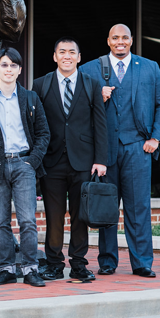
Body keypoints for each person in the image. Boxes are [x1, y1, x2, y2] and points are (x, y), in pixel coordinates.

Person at [80, 24, 160, 278]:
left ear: (131, 40)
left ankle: (142, 262)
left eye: (125, 38)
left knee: (138, 207)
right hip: (104, 151)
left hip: (137, 149)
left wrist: (156, 138)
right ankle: (107, 261)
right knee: (106, 206)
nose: (120, 42)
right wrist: (97, 97)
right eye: (115, 38)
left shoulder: (150, 67)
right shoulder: (89, 69)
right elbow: (76, 108)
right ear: (108, 41)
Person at [32, 37, 108, 282]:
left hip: (83, 161)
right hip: (51, 161)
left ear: (79, 57)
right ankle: (54, 264)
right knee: (54, 217)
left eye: (71, 52)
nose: (67, 55)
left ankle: (78, 265)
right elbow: (33, 127)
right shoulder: (40, 85)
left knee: (79, 216)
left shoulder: (91, 84)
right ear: (54, 56)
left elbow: (100, 124)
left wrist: (101, 159)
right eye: (62, 52)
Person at [0, 48, 50, 287]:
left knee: (27, 220)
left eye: (13, 66)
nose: (8, 70)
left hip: (23, 164)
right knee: (0, 221)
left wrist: (32, 162)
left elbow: (43, 134)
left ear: (19, 70)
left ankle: (29, 268)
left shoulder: (30, 98)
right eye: (4, 65)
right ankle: (6, 268)